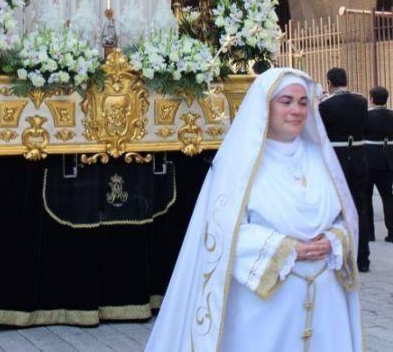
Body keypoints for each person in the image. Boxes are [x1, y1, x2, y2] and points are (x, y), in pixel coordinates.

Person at [145, 68, 363, 352]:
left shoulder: (321, 158)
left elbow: (345, 218)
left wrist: (334, 238)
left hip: (326, 301)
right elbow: (222, 233)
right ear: (264, 105)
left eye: (302, 102)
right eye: (286, 101)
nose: (296, 110)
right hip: (265, 307)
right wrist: (285, 248)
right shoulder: (239, 164)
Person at [318, 67, 370, 272]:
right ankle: (363, 257)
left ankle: (343, 253)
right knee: (361, 206)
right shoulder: (362, 101)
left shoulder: (326, 105)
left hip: (337, 158)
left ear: (329, 82)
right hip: (359, 157)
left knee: (337, 208)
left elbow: (321, 133)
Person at [364, 86, 393, 243]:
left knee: (366, 196)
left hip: (369, 158)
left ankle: (369, 234)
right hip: (388, 159)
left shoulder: (366, 116)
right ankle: (392, 232)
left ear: (372, 99)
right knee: (388, 196)